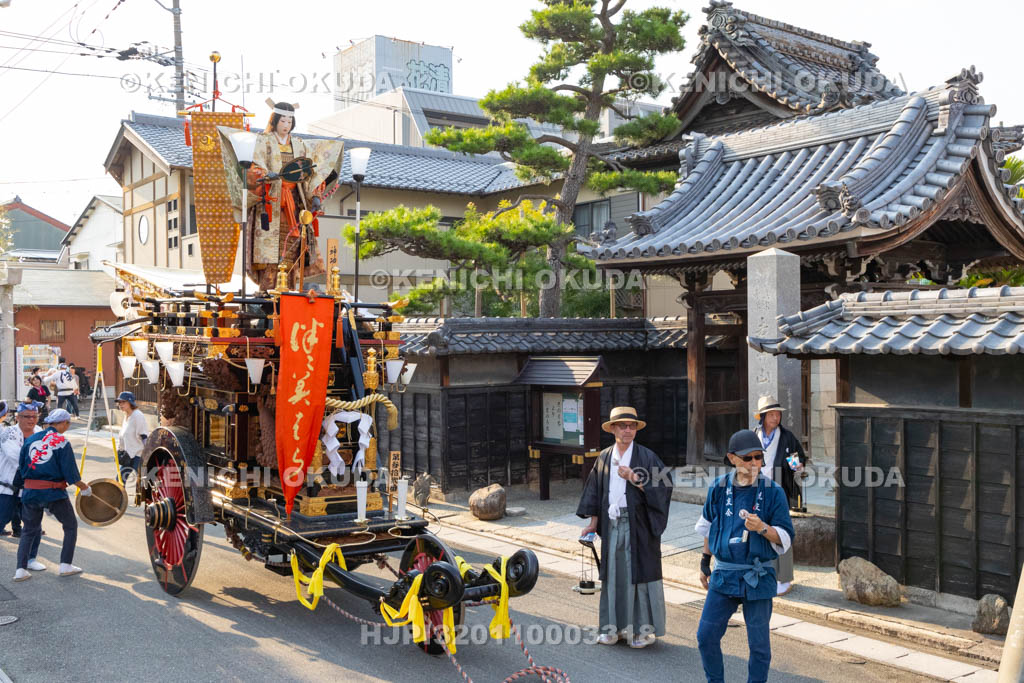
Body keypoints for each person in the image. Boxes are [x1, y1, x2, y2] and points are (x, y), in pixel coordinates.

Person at [695, 429, 796, 683]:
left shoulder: (774, 492)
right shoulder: (718, 489)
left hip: (758, 574)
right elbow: (707, 527)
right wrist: (705, 563)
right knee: (705, 637)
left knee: (759, 647)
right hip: (725, 572)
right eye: (747, 458)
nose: (753, 463)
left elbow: (785, 537)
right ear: (732, 458)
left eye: (758, 458)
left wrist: (762, 528)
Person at [576, 406, 673, 649]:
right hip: (612, 525)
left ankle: (642, 632)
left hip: (639, 524)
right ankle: (612, 629)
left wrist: (635, 479)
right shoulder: (604, 457)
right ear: (613, 429)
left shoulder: (647, 457)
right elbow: (596, 492)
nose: (628, 430)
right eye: (622, 426)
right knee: (614, 575)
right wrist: (593, 523)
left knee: (639, 576)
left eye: (631, 426)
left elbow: (665, 486)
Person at [245, 100, 328, 291]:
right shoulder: (263, 141)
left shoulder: (299, 145)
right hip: (272, 202)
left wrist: (315, 196)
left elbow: (309, 173)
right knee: (270, 254)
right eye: (283, 121)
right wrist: (266, 175)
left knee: (292, 251)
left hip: (295, 202)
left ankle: (289, 291)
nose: (286, 125)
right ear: (274, 121)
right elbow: (255, 166)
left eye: (290, 121)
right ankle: (267, 293)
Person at [12, 408, 91, 581]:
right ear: (62, 423)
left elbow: (21, 468)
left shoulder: (30, 439)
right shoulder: (61, 441)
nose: (67, 427)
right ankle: (65, 565)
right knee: (70, 525)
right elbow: (70, 473)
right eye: (68, 423)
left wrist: (17, 488)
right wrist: (84, 487)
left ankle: (20, 569)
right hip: (53, 492)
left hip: (30, 492)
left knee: (28, 530)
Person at [752, 395, 807, 595]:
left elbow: (795, 459)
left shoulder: (786, 438)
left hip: (779, 491)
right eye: (772, 414)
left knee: (781, 532)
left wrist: (797, 467)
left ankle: (784, 579)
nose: (776, 418)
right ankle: (763, 574)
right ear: (763, 416)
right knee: (759, 533)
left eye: (778, 414)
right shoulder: (753, 435)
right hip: (757, 491)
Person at [115, 391, 147, 481]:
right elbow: (123, 435)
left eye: (123, 402)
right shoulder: (126, 416)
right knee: (120, 481)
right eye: (119, 402)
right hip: (128, 455)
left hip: (138, 455)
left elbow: (144, 435)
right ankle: (121, 496)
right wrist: (119, 450)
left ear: (130, 402)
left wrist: (147, 454)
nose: (120, 404)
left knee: (143, 482)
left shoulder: (137, 415)